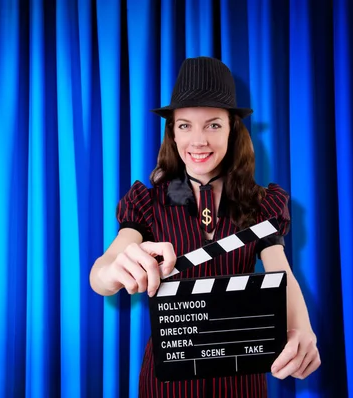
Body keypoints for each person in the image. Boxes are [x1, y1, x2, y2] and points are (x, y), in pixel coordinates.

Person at [89, 57, 320, 397]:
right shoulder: (148, 203)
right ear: (173, 132)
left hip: (241, 377)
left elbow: (280, 271)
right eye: (185, 125)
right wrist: (111, 272)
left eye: (212, 125)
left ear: (232, 129)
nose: (197, 140)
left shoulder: (260, 204)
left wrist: (301, 327)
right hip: (168, 379)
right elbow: (103, 270)